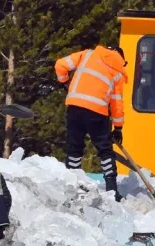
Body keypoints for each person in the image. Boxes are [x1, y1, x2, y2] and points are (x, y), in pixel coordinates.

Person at [55, 44, 128, 201]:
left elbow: (60, 65)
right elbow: (116, 103)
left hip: (75, 106)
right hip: (97, 111)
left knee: (74, 148)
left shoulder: (87, 54)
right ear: (121, 58)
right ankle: (112, 189)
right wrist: (118, 128)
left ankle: (72, 186)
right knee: (105, 150)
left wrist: (64, 83)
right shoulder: (117, 70)